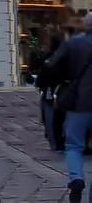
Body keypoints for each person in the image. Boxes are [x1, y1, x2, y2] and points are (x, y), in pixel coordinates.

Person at [43, 11, 92, 202]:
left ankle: (77, 179)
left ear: (86, 26)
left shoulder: (74, 43)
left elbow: (52, 66)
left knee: (73, 145)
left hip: (78, 102)